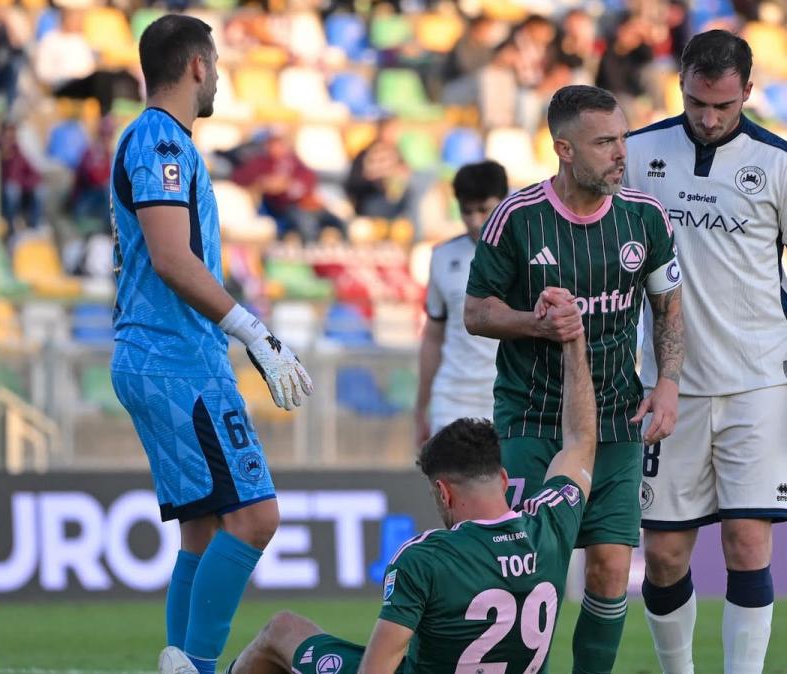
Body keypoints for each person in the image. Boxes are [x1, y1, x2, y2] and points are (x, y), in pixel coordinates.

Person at [622, 30, 787, 674]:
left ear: (747, 90)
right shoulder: (638, 154)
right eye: (695, 103)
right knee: (663, 555)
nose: (708, 119)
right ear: (680, 86)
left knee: (748, 541)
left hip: (756, 381)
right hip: (668, 386)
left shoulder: (783, 163)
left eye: (722, 105)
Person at [107, 15, 314, 674]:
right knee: (256, 518)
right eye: (217, 63)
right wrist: (253, 330)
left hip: (160, 353)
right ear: (197, 65)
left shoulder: (153, 142)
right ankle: (194, 665)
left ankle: (186, 663)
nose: (219, 75)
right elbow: (171, 257)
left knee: (203, 527)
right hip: (176, 358)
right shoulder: (161, 144)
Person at [225, 318, 599, 674]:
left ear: (443, 491)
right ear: (502, 478)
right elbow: (581, 441)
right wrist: (573, 340)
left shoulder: (424, 558)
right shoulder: (551, 524)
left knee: (282, 629)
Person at [464, 84, 684, 674]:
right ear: (564, 149)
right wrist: (537, 322)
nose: (620, 153)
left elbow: (668, 308)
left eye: (622, 139)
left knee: (612, 569)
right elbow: (476, 312)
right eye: (605, 142)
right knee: (535, 571)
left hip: (617, 420)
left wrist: (667, 385)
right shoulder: (517, 218)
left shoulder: (646, 217)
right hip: (533, 421)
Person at [414, 160, 509, 446]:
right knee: (448, 488)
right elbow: (433, 336)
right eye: (467, 212)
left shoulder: (529, 254)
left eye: (484, 210)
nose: (476, 221)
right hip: (452, 398)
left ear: (505, 202)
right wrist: (421, 405)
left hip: (508, 398)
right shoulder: (443, 256)